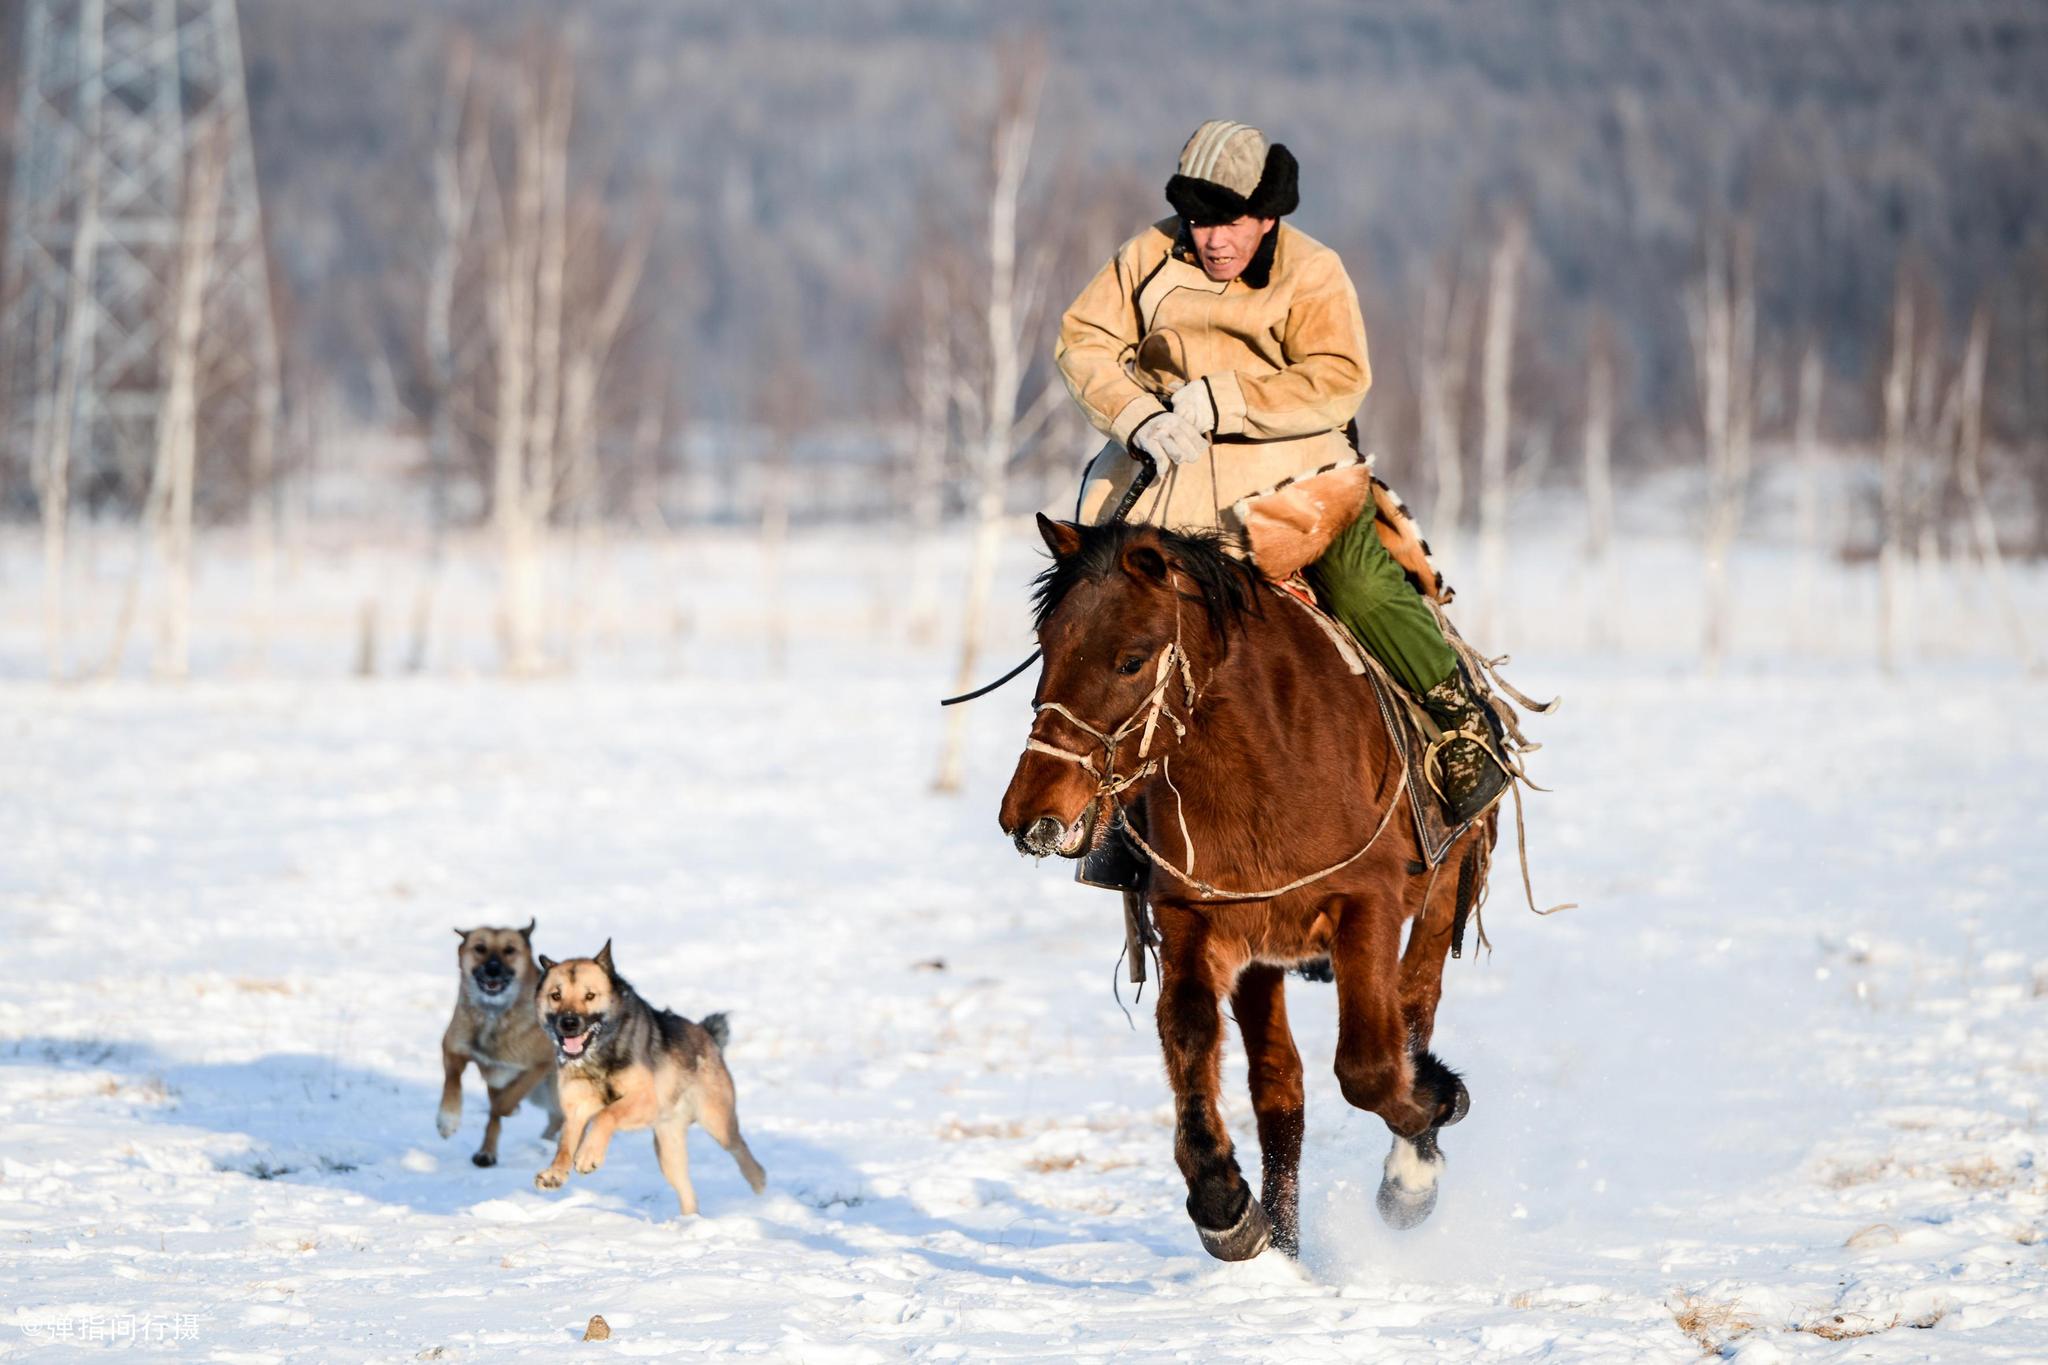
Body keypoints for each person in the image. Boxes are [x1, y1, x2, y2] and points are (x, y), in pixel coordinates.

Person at [1054, 120, 1507, 827]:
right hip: (1168, 480)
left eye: (1231, 222)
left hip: (1290, 479)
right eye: (1201, 222)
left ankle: (1461, 722)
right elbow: (1082, 340)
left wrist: (1227, 397)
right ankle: (1108, 798)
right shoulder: (1144, 255)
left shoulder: (1313, 270)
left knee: (1357, 581)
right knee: (1100, 616)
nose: (1214, 240)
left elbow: (1340, 378)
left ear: (1266, 217)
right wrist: (1138, 415)